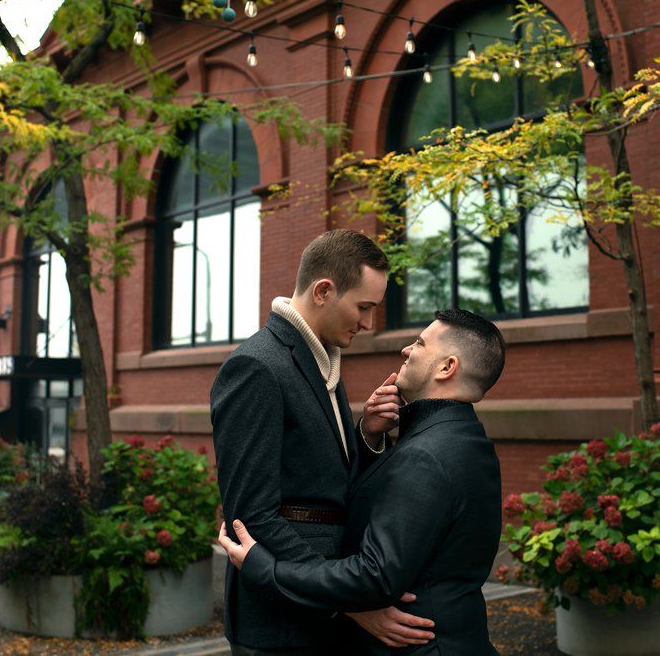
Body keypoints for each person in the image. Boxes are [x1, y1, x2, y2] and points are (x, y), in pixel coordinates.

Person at [219, 309, 507, 655]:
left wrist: (265, 569)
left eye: (419, 343)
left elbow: (373, 578)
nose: (406, 350)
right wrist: (369, 435)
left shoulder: (426, 455)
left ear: (447, 367)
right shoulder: (466, 441)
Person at [210, 229, 432, 655]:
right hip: (280, 623)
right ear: (324, 291)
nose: (368, 323)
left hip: (315, 608)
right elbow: (251, 516)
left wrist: (366, 434)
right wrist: (346, 600)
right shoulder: (255, 367)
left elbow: (319, 480)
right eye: (363, 307)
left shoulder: (321, 358)